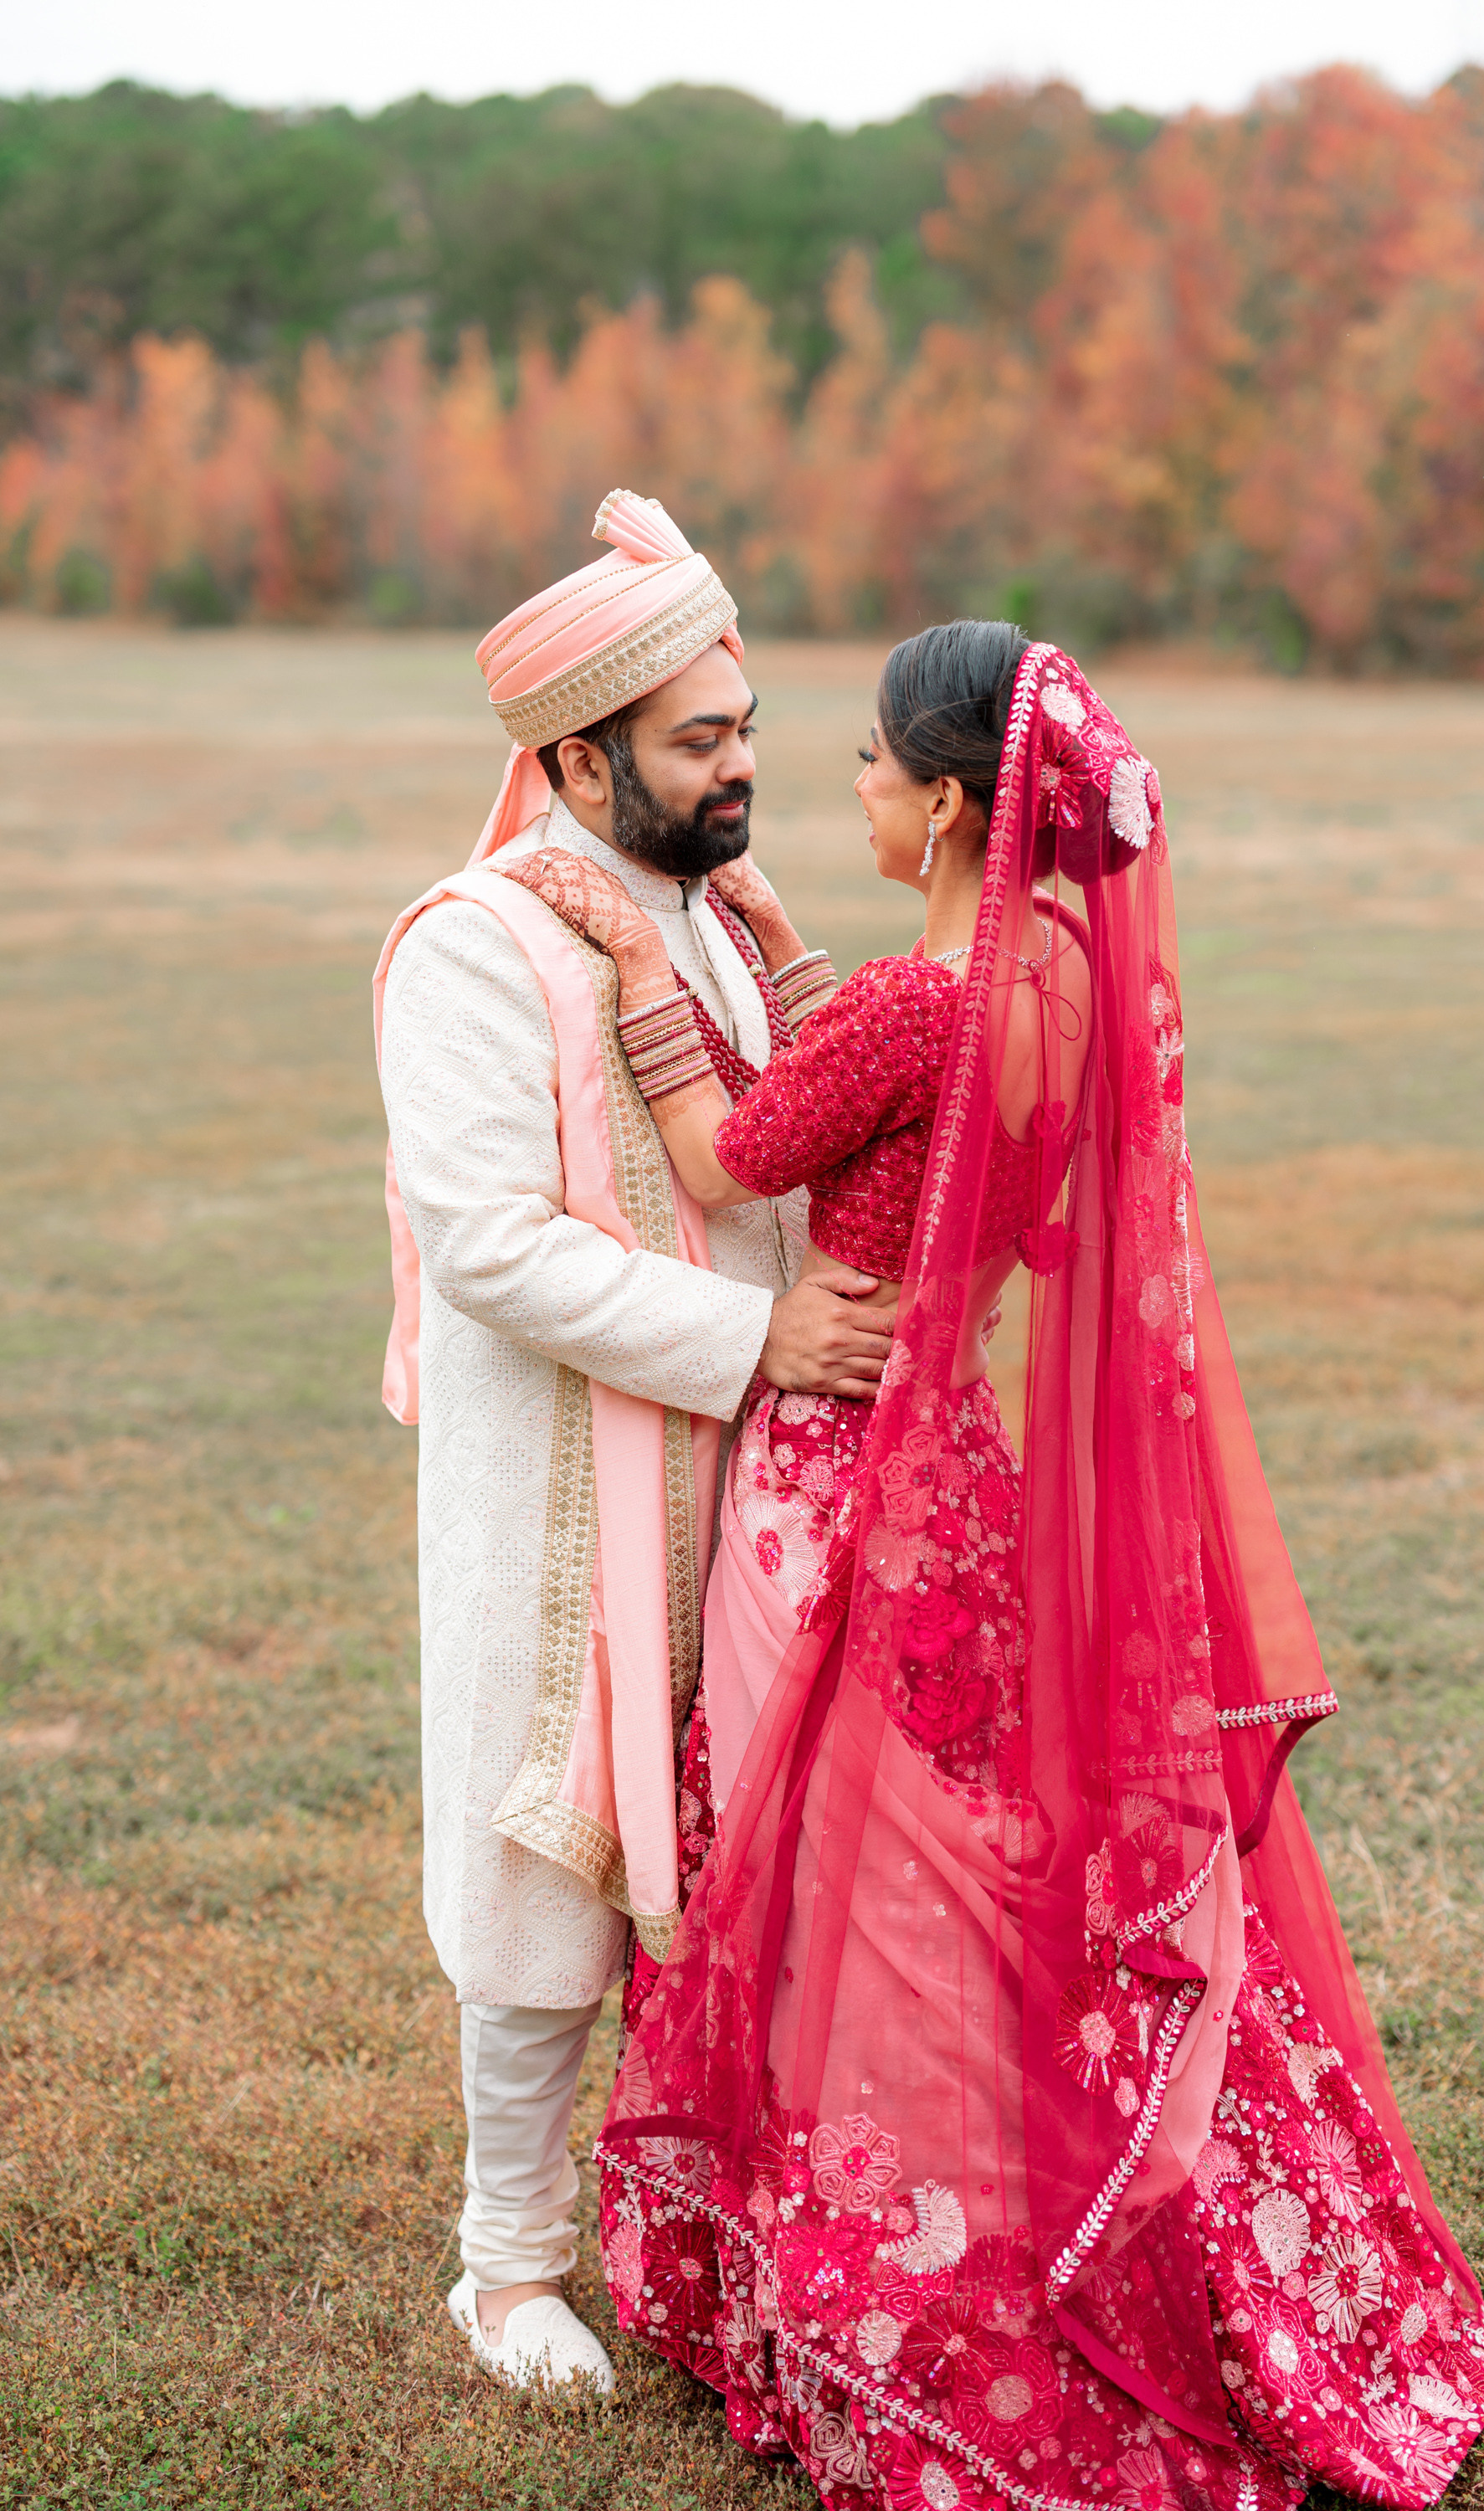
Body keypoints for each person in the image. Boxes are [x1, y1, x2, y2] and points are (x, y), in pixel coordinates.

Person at [537, 624, 1484, 2507]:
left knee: (841, 1877)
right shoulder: (1053, 973)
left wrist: (648, 961)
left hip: (834, 1475)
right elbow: (900, 1074)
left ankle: (904, 2273)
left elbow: (739, 1159)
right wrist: (784, 936)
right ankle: (1030, 2195)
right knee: (963, 1871)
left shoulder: (921, 1011)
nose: (849, 794)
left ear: (950, 798)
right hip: (961, 1465)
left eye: (870, 773)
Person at [372, 489, 892, 2396]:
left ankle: (734, 2217)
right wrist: (757, 1342)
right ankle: (504, 2267)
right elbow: (492, 1247)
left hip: (753, 1477)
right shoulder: (471, 948)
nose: (743, 767)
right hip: (563, 1486)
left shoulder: (729, 920)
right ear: (576, 756)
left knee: (751, 1849)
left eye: (746, 726)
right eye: (699, 743)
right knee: (543, 1864)